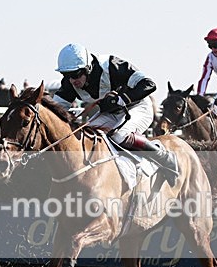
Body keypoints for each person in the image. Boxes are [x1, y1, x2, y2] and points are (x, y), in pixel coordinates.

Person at [51, 43, 178, 185]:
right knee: (86, 138)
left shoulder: (112, 65)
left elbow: (149, 84)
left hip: (138, 107)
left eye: (75, 74)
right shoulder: (70, 82)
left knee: (120, 136)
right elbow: (54, 109)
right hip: (111, 113)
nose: (72, 80)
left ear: (88, 68)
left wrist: (121, 99)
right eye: (66, 75)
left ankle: (164, 157)